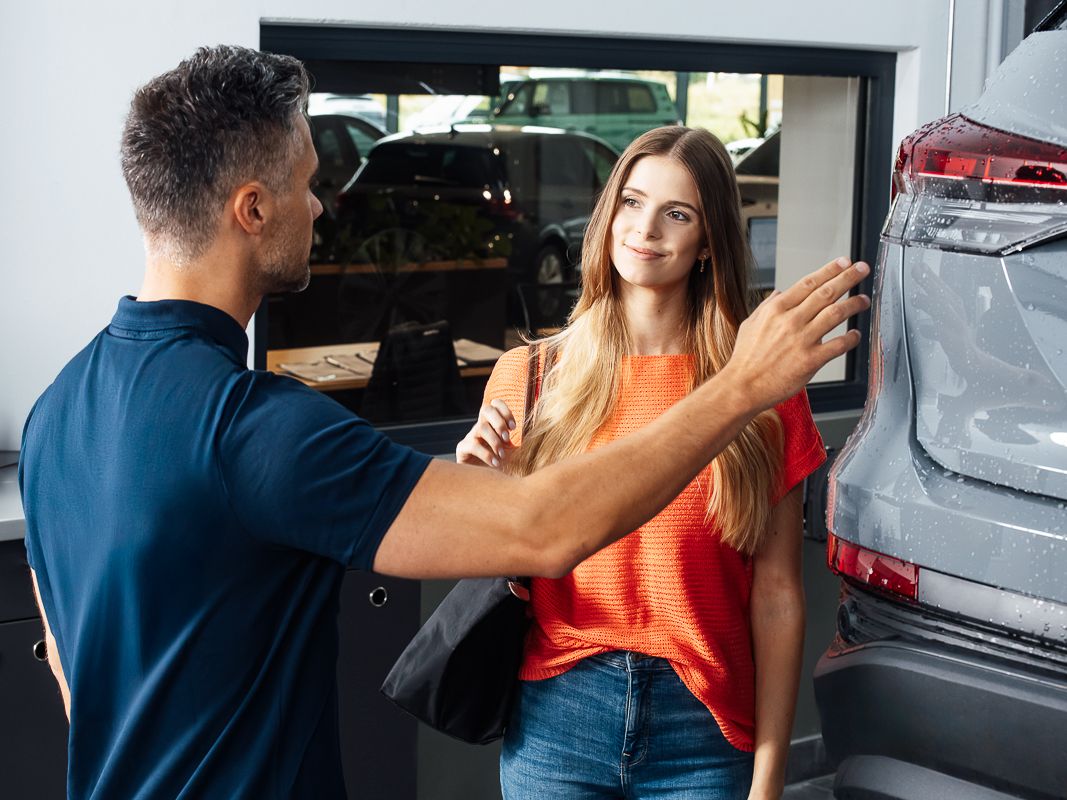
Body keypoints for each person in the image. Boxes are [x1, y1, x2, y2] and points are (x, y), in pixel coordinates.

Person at [18, 46, 868, 799]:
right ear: (251, 209)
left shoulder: (56, 411)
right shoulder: (260, 431)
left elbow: (71, 660)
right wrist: (741, 384)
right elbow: (545, 530)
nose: (320, 208)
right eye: (307, 184)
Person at [456, 126, 824, 800]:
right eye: (630, 202)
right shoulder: (530, 376)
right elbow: (501, 560)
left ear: (709, 240)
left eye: (676, 213)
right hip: (558, 715)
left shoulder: (762, 393)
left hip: (704, 731)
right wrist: (484, 490)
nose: (645, 229)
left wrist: (768, 780)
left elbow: (776, 598)